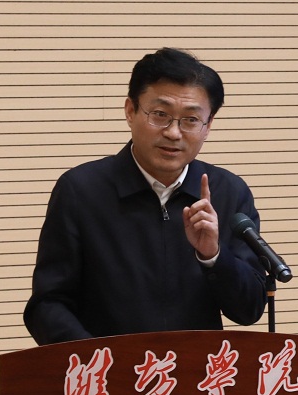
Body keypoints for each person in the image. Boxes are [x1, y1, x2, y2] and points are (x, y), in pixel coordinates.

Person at [23, 47, 268, 344]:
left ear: (208, 126)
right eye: (160, 115)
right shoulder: (81, 190)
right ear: (130, 111)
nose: (174, 132)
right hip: (107, 371)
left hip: (195, 370)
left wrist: (214, 256)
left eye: (191, 119)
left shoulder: (228, 192)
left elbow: (249, 309)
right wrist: (98, 361)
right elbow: (47, 306)